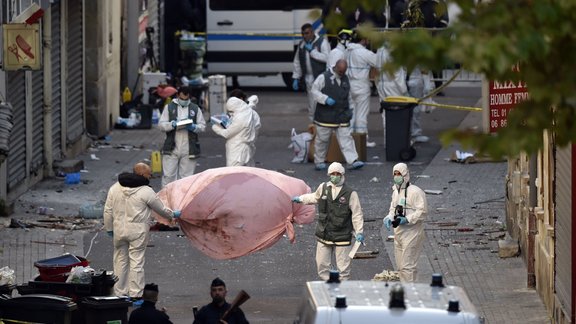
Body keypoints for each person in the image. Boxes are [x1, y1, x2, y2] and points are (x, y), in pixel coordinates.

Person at [103, 163, 181, 298]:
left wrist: (109, 228)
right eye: (149, 174)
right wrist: (173, 214)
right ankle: (135, 294)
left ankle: (119, 293)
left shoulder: (115, 187)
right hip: (137, 231)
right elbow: (161, 209)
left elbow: (108, 210)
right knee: (136, 262)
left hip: (119, 229)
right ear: (142, 174)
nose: (150, 176)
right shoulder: (146, 191)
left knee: (120, 261)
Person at [291, 162, 365, 281]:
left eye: (337, 174)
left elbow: (357, 214)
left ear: (342, 175)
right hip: (324, 232)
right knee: (322, 265)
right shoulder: (324, 188)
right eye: (332, 174)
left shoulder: (350, 194)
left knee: (343, 268)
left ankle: (342, 290)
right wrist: (300, 199)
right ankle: (329, 285)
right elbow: (314, 197)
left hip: (342, 235)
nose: (335, 176)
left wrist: (359, 232)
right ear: (329, 175)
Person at [310, 59, 364, 171]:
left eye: (343, 72)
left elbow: (349, 96)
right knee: (322, 139)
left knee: (346, 138)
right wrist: (325, 99)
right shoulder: (323, 77)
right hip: (325, 115)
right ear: (335, 67)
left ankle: (352, 160)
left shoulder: (345, 79)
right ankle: (319, 161)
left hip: (341, 115)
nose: (341, 74)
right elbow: (314, 91)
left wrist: (351, 110)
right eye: (340, 71)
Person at [382, 163, 428, 282]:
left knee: (407, 266)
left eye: (399, 174)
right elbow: (393, 208)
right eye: (395, 174)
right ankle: (410, 290)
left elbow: (422, 212)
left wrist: (407, 219)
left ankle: (410, 294)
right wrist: (389, 218)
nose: (397, 176)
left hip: (412, 233)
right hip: (399, 233)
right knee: (401, 268)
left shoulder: (415, 192)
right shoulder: (396, 191)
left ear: (405, 175)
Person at [158, 86, 206, 187]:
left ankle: (183, 201)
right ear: (177, 95)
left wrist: (193, 127)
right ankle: (166, 200)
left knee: (186, 178)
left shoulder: (195, 109)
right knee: (168, 176)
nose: (184, 101)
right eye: (182, 99)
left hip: (189, 147)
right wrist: (172, 124)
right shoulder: (169, 107)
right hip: (171, 146)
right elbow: (161, 125)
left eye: (186, 99)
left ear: (190, 97)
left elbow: (202, 126)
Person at [292, 23, 331, 121]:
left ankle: (323, 127)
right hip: (308, 78)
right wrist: (296, 77)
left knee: (322, 104)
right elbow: (297, 61)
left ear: (312, 32)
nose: (305, 36)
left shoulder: (322, 42)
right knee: (311, 105)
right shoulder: (302, 44)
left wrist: (313, 52)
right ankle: (313, 128)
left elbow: (328, 58)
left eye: (307, 33)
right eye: (303, 34)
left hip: (321, 78)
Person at [346, 33, 378, 147]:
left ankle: (349, 139)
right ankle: (362, 140)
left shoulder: (347, 51)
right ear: (363, 40)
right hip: (361, 85)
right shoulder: (364, 53)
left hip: (349, 85)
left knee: (351, 114)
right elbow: (378, 62)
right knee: (362, 115)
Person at [212, 94, 261, 167]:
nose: (231, 114)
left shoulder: (240, 118)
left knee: (233, 174)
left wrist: (215, 127)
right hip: (244, 148)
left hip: (238, 151)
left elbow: (227, 133)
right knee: (245, 173)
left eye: (232, 111)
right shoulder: (248, 113)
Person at [375, 43, 408, 147]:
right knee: (398, 114)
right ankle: (397, 141)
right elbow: (397, 74)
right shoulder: (394, 51)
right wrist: (404, 91)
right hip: (393, 86)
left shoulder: (380, 50)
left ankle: (388, 141)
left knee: (386, 115)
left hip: (382, 84)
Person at [407, 67, 435, 143]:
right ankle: (414, 133)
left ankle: (413, 133)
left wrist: (427, 83)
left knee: (413, 109)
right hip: (413, 80)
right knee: (414, 109)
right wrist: (427, 83)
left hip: (409, 80)